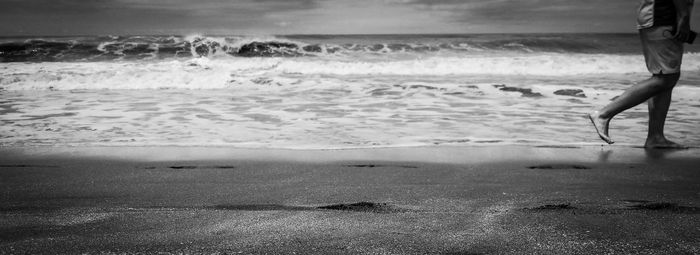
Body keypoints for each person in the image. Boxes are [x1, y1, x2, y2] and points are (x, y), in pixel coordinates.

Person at [588, 0, 694, 148]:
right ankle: (603, 114)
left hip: (656, 17)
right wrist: (683, 16)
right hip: (662, 17)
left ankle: (655, 137)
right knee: (665, 78)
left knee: (665, 78)